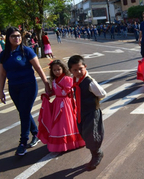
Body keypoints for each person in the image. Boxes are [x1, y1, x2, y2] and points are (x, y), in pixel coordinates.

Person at [0, 27, 51, 156]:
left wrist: (46, 83)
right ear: (7, 38)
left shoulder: (26, 51)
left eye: (18, 36)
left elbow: (38, 68)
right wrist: (0, 91)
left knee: (23, 113)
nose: (17, 38)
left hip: (28, 86)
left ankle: (23, 142)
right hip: (13, 87)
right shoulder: (3, 55)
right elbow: (2, 74)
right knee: (24, 112)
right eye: (13, 36)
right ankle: (36, 133)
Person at [68, 55, 107, 170]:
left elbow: (102, 94)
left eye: (81, 68)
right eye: (75, 70)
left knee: (92, 135)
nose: (78, 71)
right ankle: (95, 152)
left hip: (91, 112)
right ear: (71, 71)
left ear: (85, 66)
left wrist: (93, 101)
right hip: (81, 112)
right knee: (84, 133)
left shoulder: (89, 82)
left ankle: (96, 154)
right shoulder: (75, 80)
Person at [38, 60, 85, 152]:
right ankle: (63, 142)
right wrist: (47, 95)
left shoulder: (67, 79)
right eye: (54, 70)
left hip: (66, 103)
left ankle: (71, 142)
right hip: (58, 103)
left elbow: (69, 90)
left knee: (65, 122)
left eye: (58, 69)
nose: (57, 72)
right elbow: (55, 92)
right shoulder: (54, 80)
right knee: (59, 123)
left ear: (63, 69)